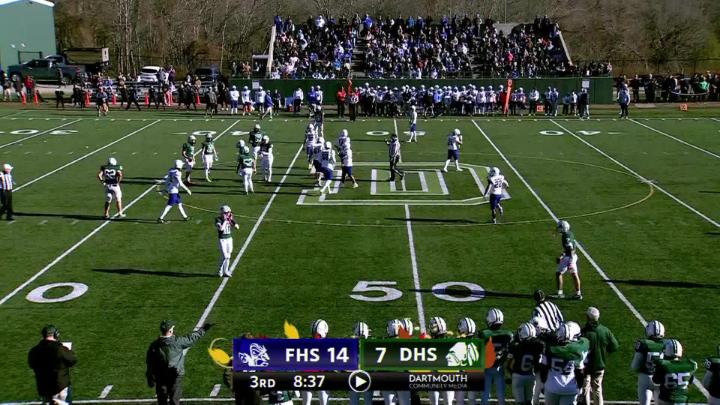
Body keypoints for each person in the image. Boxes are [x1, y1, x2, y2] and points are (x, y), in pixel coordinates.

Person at [146, 320, 212, 405]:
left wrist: (150, 378)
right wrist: (203, 329)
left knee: (162, 401)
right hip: (176, 376)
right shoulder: (177, 342)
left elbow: (150, 363)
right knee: (174, 400)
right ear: (170, 330)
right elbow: (192, 338)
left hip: (161, 377)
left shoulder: (154, 345)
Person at [541, 322, 588, 405]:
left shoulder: (549, 348)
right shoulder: (577, 350)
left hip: (552, 386)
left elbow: (543, 369)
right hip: (570, 389)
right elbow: (580, 372)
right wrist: (580, 387)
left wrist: (543, 383)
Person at [28, 325, 77, 405]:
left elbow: (31, 364)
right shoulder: (60, 349)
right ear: (55, 335)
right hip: (59, 386)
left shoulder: (34, 351)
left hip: (44, 387)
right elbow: (72, 360)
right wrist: (67, 350)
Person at [581, 307, 619, 405]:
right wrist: (605, 352)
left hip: (586, 366)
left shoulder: (584, 332)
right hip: (599, 365)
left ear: (588, 317)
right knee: (597, 389)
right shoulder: (605, 330)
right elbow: (614, 346)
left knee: (585, 389)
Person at [480, 308, 513, 405]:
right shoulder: (508, 335)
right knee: (501, 396)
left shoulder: (484, 334)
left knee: (485, 395)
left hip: (487, 368)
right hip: (500, 368)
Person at [508, 323, 544, 405]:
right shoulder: (538, 347)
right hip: (531, 376)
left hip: (518, 376)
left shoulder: (515, 347)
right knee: (529, 402)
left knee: (520, 403)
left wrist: (511, 374)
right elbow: (538, 365)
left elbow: (508, 365)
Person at [631, 320, 666, 405]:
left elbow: (634, 366)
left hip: (645, 378)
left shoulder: (643, 344)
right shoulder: (667, 344)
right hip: (661, 379)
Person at [652, 340, 697, 405]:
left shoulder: (663, 364)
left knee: (656, 390)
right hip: (682, 400)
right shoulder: (690, 365)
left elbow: (656, 380)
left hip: (666, 400)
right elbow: (690, 381)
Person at [555, 220, 582, 300]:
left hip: (569, 257)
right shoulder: (570, 233)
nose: (558, 228)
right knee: (574, 274)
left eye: (559, 227)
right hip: (571, 256)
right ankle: (578, 294)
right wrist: (562, 256)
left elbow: (570, 249)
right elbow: (571, 248)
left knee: (559, 273)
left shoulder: (565, 235)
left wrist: (570, 261)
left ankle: (560, 293)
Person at [349, 322, 372, 405]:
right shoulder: (370, 345)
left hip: (354, 375)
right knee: (368, 401)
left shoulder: (351, 344)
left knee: (354, 401)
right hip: (367, 375)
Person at [216, 205, 240, 277]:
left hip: (229, 239)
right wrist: (225, 221)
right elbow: (221, 229)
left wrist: (233, 223)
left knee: (228, 256)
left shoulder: (230, 219)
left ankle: (226, 271)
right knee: (224, 256)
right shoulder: (218, 219)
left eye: (229, 213)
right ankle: (220, 270)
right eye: (227, 213)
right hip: (222, 239)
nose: (229, 214)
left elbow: (237, 227)